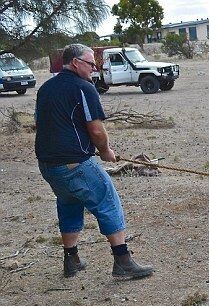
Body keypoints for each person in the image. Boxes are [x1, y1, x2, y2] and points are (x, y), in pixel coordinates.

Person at [35, 44, 153, 279]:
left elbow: (41, 123)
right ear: (76, 62)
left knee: (69, 202)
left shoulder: (45, 88)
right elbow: (96, 130)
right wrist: (106, 150)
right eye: (90, 63)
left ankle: (71, 260)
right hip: (74, 163)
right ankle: (123, 262)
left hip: (48, 165)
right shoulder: (83, 87)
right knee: (108, 201)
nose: (94, 68)